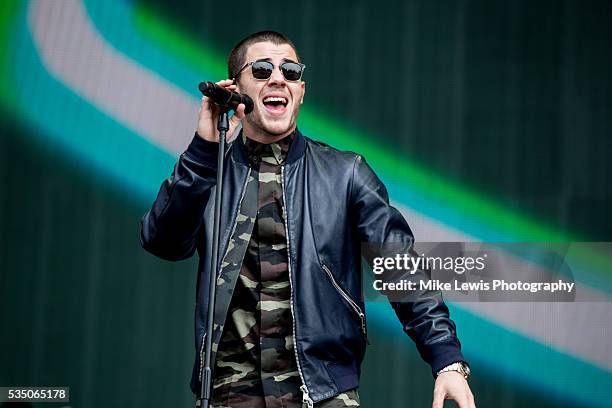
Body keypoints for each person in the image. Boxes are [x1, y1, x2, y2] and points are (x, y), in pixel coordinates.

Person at [141, 31, 475, 408]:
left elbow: (401, 268)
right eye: (263, 69)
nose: (278, 78)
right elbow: (162, 241)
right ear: (235, 89)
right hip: (230, 394)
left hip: (323, 391)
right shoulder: (209, 170)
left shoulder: (345, 173)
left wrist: (447, 360)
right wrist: (203, 149)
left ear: (301, 91)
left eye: (292, 71)